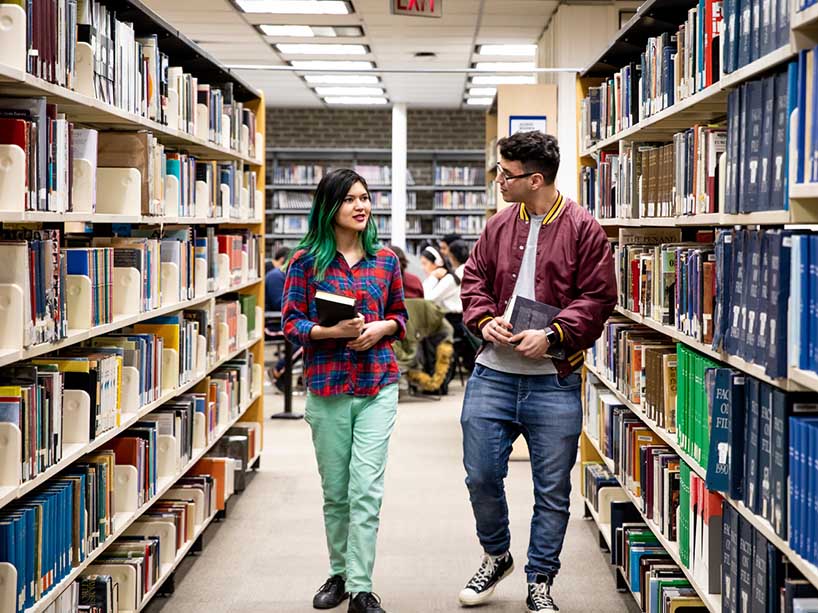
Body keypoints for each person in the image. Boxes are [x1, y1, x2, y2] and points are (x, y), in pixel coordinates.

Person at [457, 131, 617, 613]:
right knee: (481, 475)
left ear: (535, 179)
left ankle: (540, 579)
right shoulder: (499, 225)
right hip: (493, 375)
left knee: (553, 489)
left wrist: (552, 335)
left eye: (505, 174)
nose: (498, 181)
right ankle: (497, 553)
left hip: (554, 378)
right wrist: (486, 320)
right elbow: (473, 280)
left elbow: (598, 298)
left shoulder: (584, 229)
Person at [282, 168, 407, 613]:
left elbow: (400, 316)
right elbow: (291, 324)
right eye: (350, 198)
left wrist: (381, 328)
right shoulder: (305, 262)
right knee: (336, 490)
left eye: (365, 197)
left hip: (377, 385)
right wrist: (329, 331)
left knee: (366, 489)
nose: (361, 206)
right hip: (328, 386)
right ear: (329, 207)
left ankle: (361, 587)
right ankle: (339, 572)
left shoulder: (386, 260)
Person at [420, 245, 461, 314]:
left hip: (452, 320)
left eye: (425, 263)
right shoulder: (435, 279)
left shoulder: (449, 279)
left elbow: (427, 300)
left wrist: (433, 277)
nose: (422, 268)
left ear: (436, 263)